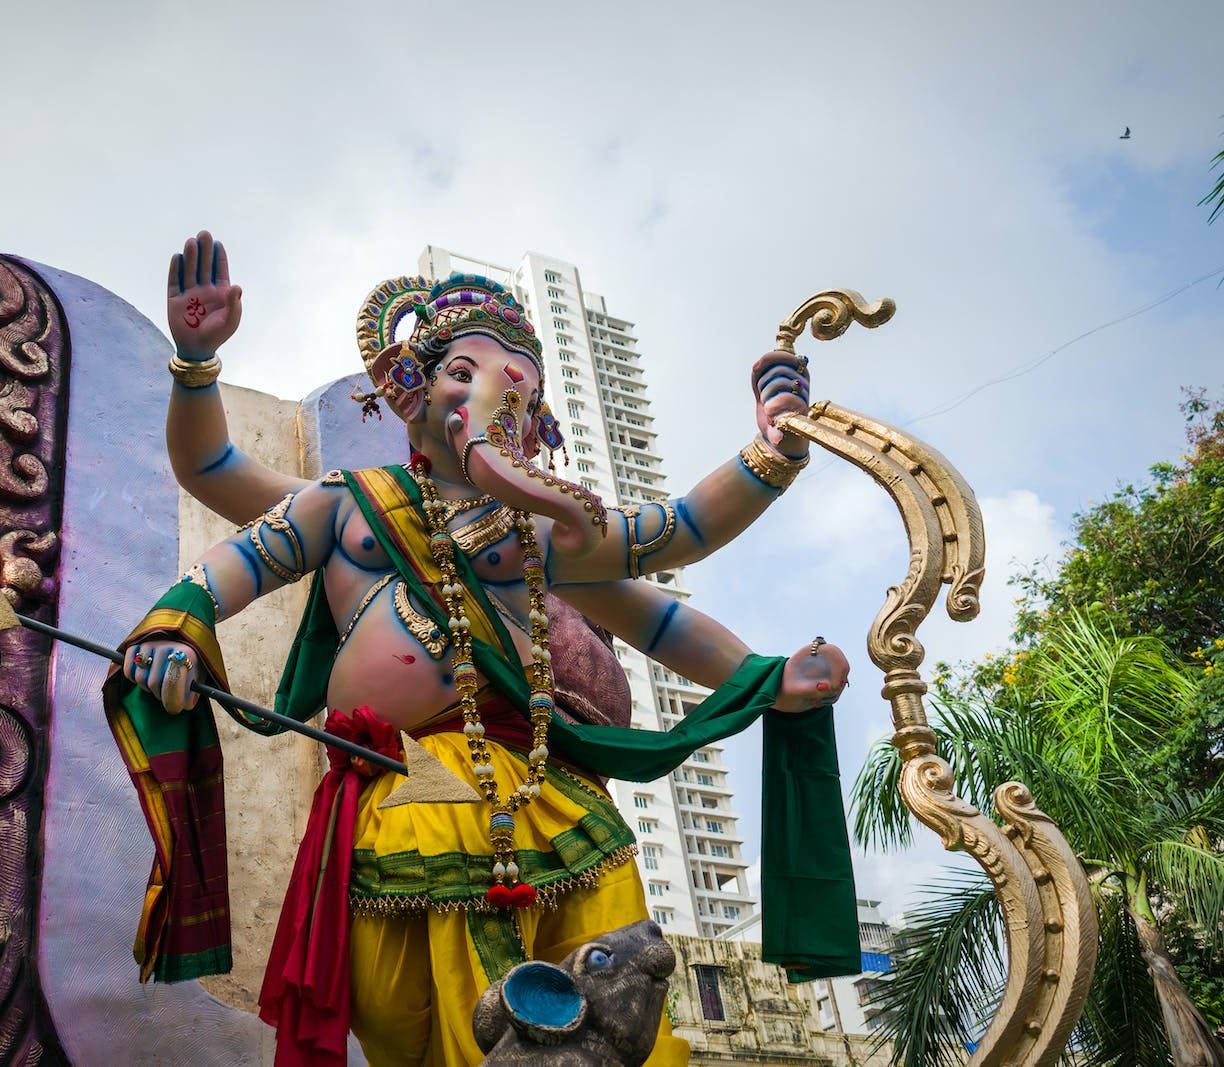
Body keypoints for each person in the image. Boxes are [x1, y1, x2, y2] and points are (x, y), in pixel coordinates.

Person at [105, 232, 857, 1066]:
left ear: (533, 419)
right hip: (404, 804)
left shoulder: (539, 534)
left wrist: (777, 452)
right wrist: (177, 624)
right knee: (406, 1026)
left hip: (554, 802)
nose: (484, 395)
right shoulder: (348, 506)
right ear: (409, 389)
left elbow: (671, 552)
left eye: (514, 385)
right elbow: (221, 521)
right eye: (461, 373)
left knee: (617, 1012)